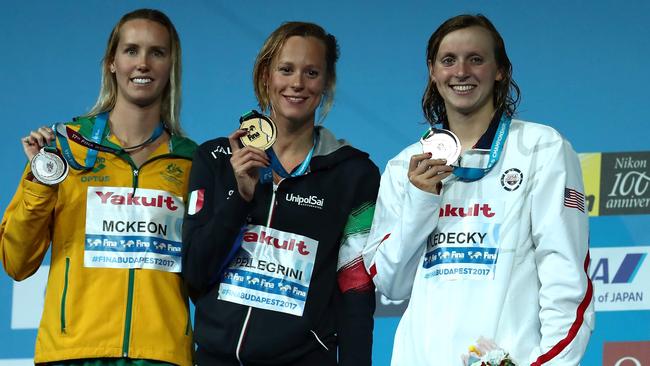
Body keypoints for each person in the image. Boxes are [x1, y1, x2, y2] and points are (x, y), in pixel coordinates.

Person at [363, 14, 594, 365]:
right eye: (448, 60)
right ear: (432, 71)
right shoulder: (405, 165)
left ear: (500, 69)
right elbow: (391, 286)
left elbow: (566, 278)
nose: (461, 72)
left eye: (476, 59)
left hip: (508, 358)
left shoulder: (541, 148)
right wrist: (422, 201)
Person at [0, 9, 196, 366]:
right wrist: (42, 181)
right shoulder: (65, 148)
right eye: (131, 50)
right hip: (74, 352)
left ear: (171, 66)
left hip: (160, 354)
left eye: (157, 52)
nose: (143, 63)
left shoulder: (192, 162)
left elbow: (206, 269)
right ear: (111, 62)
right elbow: (16, 262)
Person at [182, 22, 378, 366]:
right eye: (286, 70)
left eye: (312, 72)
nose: (298, 83)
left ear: (327, 83)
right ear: (265, 76)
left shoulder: (354, 175)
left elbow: (355, 288)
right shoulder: (216, 158)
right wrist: (238, 197)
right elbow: (195, 273)